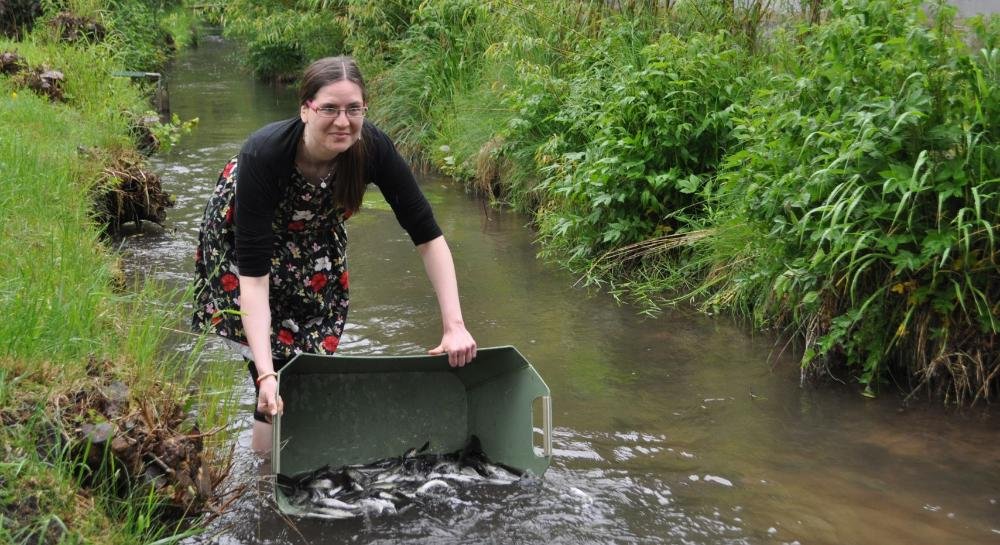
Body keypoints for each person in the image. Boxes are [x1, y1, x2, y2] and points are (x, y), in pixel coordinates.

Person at [191, 56, 477, 453]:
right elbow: (254, 282)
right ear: (305, 109)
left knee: (306, 362)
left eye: (353, 109)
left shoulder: (372, 149)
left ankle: (289, 457)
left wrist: (454, 326)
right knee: (273, 367)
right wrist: (264, 374)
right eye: (329, 108)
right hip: (242, 244)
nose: (343, 122)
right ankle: (262, 478)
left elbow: (429, 238)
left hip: (314, 238)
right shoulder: (265, 154)